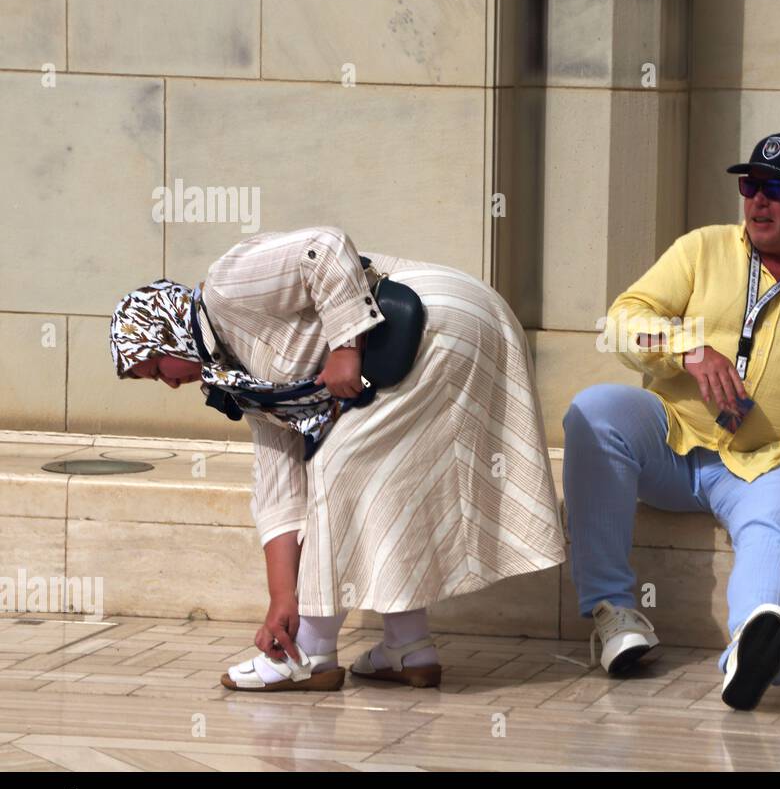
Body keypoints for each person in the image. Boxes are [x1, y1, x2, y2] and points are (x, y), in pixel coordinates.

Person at [109, 226, 566, 691]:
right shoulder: (242, 379)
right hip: (444, 332)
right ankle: (409, 648)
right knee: (383, 487)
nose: (167, 384)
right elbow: (280, 485)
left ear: (165, 333)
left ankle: (309, 652)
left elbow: (322, 247)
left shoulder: (228, 286)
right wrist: (282, 596)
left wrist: (346, 347)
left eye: (156, 367)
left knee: (339, 464)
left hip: (444, 319)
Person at [564, 132, 780, 710]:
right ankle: (615, 615)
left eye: (776, 190)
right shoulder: (702, 249)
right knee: (594, 412)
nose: (757, 202)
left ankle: (752, 640)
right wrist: (688, 348)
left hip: (774, 461)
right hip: (673, 439)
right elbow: (622, 320)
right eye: (749, 186)